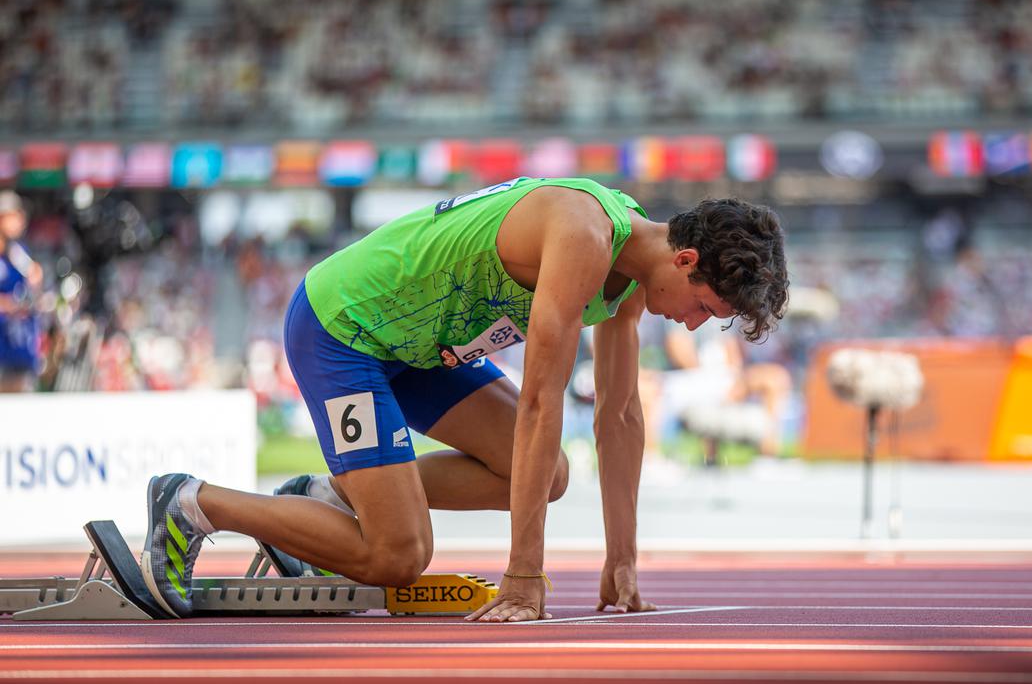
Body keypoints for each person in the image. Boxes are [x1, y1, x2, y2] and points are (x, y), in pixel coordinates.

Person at [141, 177, 788, 622]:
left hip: (420, 350)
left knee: (550, 476)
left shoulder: (632, 272)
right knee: (397, 557)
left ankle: (331, 497)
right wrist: (524, 574)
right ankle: (192, 503)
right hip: (345, 329)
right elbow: (541, 404)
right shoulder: (585, 235)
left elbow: (620, 415)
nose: (699, 326)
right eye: (707, 308)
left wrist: (621, 560)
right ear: (686, 259)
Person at [0, 191, 42, 393]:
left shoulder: (18, 252)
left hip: (20, 347)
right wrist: (9, 305)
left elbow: (34, 280)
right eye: (12, 216)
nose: (19, 221)